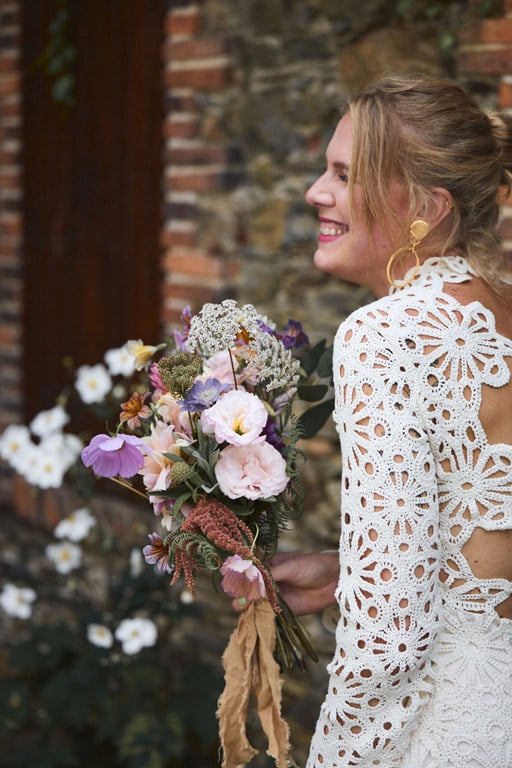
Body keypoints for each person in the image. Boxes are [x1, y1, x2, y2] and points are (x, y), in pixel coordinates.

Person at [270, 75, 512, 767]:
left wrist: (338, 760)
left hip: (448, 728)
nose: (316, 192)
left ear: (428, 208)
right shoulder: (503, 311)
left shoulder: (387, 335)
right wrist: (351, 571)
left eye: (345, 175)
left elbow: (389, 642)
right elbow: (485, 550)